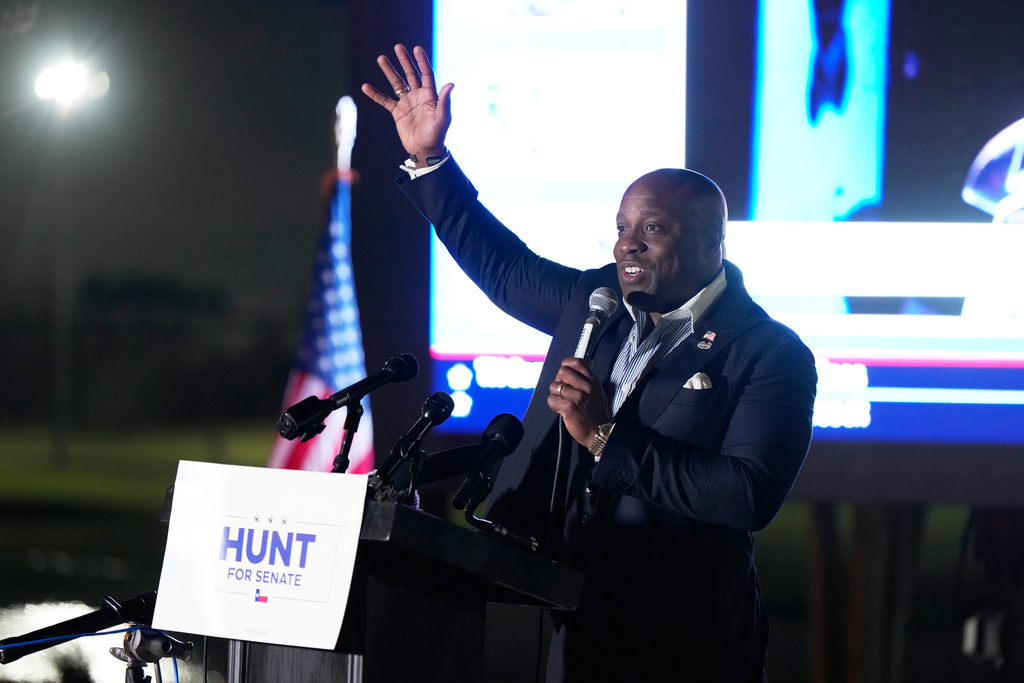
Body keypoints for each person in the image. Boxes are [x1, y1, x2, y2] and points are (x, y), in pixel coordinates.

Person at [362, 44, 818, 682]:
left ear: (714, 241)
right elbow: (504, 267)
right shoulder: (596, 299)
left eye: (652, 228)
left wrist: (606, 435)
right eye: (622, 225)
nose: (627, 242)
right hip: (577, 623)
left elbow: (746, 495)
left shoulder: (769, 352)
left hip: (690, 641)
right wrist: (429, 159)